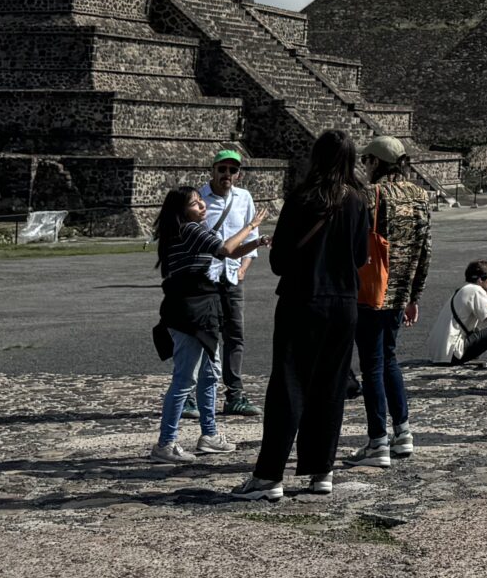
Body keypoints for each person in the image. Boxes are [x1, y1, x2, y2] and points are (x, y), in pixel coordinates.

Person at [233, 130, 371, 501]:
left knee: (289, 385)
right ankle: (322, 470)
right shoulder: (358, 201)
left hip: (302, 298)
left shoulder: (303, 197)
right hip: (343, 302)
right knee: (331, 387)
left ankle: (269, 475)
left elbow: (279, 261)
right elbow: (361, 257)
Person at [151, 183, 262, 463]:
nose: (202, 205)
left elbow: (231, 253)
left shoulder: (194, 230)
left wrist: (257, 242)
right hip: (190, 311)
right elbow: (225, 248)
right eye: (194, 203)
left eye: (201, 200)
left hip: (203, 308)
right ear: (181, 211)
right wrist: (251, 226)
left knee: (210, 374)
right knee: (185, 378)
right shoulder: (189, 230)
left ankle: (209, 435)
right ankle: (165, 443)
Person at [352, 133, 434, 466]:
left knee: (371, 365)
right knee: (389, 358)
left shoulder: (370, 195)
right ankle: (403, 432)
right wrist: (415, 295)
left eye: (366, 161)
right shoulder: (420, 195)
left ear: (375, 162)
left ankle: (377, 441)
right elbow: (425, 249)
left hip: (371, 291)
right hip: (400, 293)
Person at [200, 145, 260, 415]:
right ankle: (194, 394)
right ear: (212, 170)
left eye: (232, 170)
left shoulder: (244, 198)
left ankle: (234, 394)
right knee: (204, 337)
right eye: (222, 169)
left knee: (235, 336)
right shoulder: (199, 198)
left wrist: (244, 268)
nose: (227, 174)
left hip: (233, 276)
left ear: (238, 174)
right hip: (205, 278)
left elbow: (250, 239)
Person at [444, 260, 487, 367]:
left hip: (442, 352)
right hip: (452, 354)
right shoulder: (475, 290)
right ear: (480, 280)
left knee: (476, 331)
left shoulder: (461, 290)